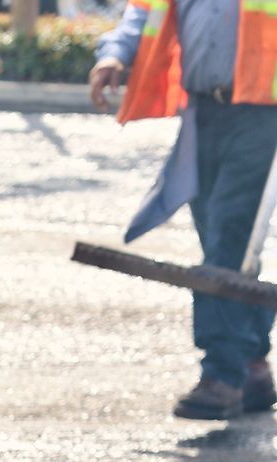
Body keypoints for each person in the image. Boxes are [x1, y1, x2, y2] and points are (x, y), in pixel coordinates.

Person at [92, 0, 277, 420]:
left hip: (262, 115)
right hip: (203, 111)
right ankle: (251, 364)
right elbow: (144, 12)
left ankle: (222, 374)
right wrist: (114, 54)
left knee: (229, 235)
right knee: (219, 237)